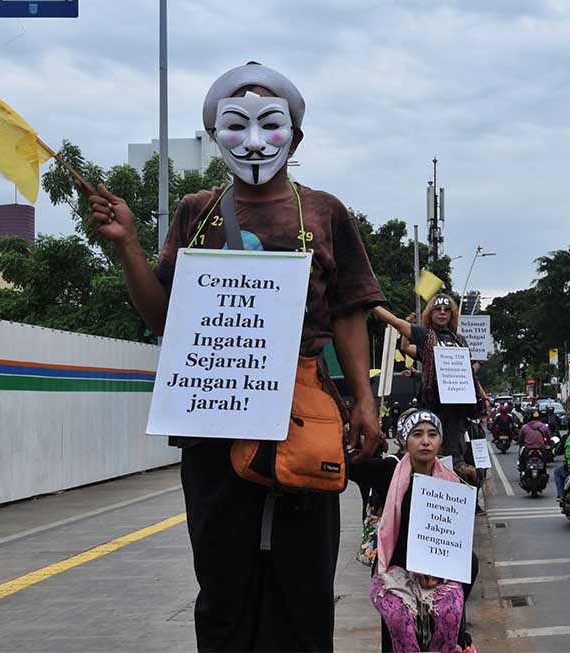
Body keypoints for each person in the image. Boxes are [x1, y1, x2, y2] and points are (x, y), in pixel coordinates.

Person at [83, 61, 385, 651]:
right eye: (235, 126)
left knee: (303, 586)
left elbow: (351, 312)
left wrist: (365, 401)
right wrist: (128, 249)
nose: (253, 141)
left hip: (305, 412)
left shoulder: (324, 213)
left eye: (270, 125)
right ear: (217, 135)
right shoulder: (196, 212)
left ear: (295, 137)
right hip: (212, 416)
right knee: (223, 583)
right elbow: (167, 319)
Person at [371, 410, 466, 653]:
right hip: (394, 570)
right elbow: (350, 464)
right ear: (404, 441)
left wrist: (437, 569)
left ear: (440, 441)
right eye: (417, 434)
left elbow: (457, 546)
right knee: (397, 617)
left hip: (438, 572)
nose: (425, 441)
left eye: (432, 434)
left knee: (452, 608)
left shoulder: (452, 484)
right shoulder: (388, 473)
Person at [373, 296, 479, 470]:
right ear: (431, 313)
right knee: (430, 450)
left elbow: (469, 374)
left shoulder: (460, 341)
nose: (443, 313)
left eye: (447, 310)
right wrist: (370, 303)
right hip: (433, 406)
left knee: (456, 455)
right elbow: (396, 322)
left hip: (457, 408)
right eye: (438, 309)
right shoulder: (424, 335)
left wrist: (482, 397)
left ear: (452, 314)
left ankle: (457, 481)